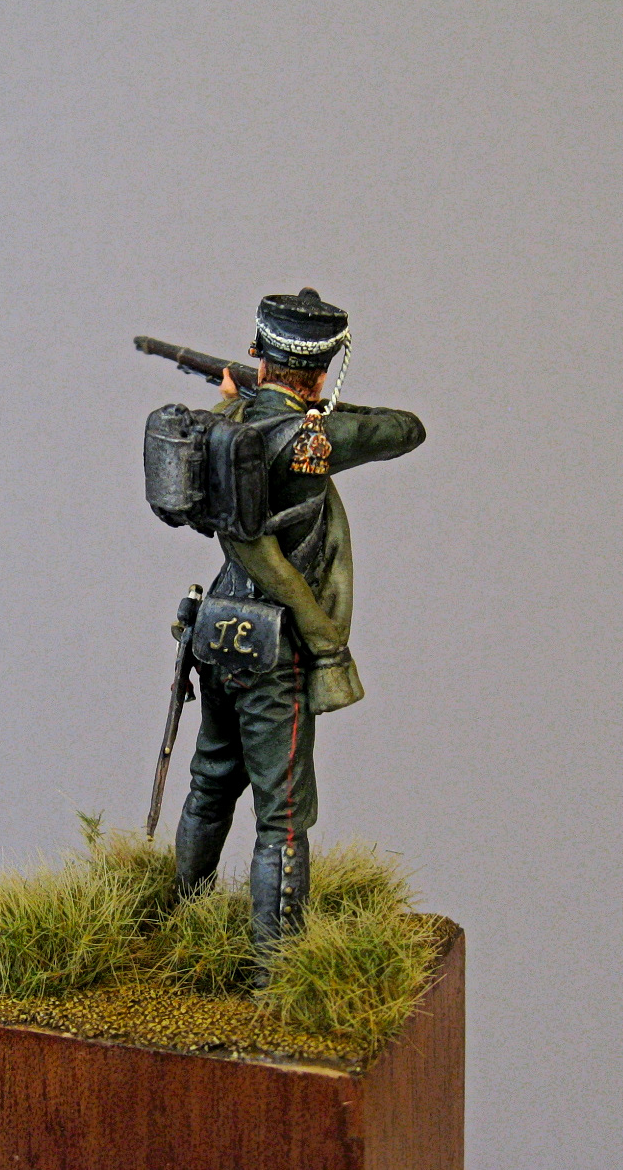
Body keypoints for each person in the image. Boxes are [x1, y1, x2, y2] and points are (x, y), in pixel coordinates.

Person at [173, 288, 425, 982]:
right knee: (282, 818)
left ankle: (180, 921)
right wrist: (317, 410)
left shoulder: (225, 425)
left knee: (209, 783)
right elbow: (406, 429)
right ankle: (275, 973)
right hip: (275, 642)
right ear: (323, 368)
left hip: (216, 625)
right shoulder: (313, 438)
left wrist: (240, 394)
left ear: (257, 352)